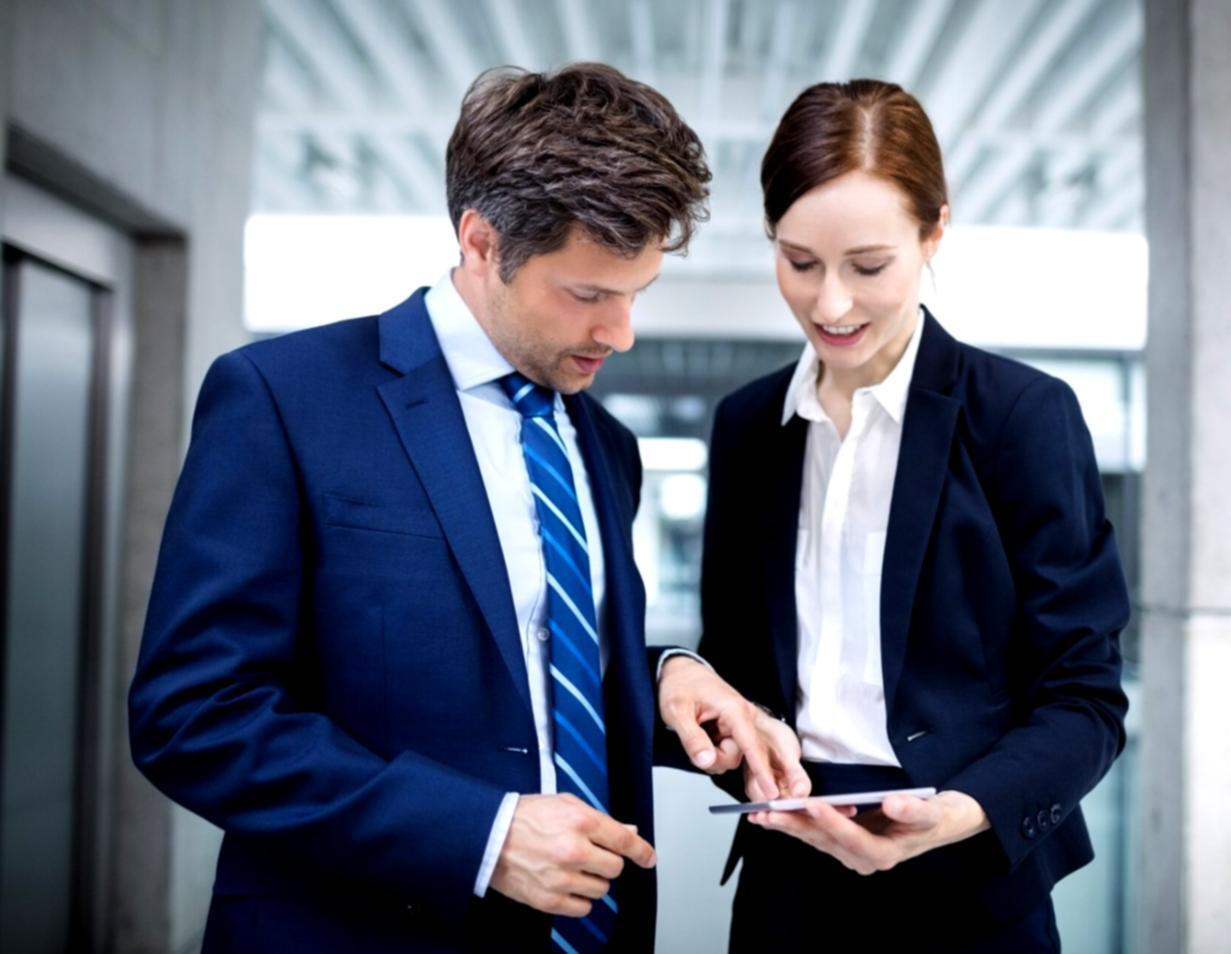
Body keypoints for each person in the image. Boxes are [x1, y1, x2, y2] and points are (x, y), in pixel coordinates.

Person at [129, 63, 801, 954]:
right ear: (482, 242)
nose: (622, 333)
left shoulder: (603, 445)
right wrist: (479, 837)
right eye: (590, 294)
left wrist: (669, 673)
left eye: (637, 294)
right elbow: (195, 714)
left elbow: (531, 652)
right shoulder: (284, 399)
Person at [698, 79, 1131, 952]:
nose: (830, 305)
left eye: (868, 267)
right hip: (788, 885)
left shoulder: (1021, 417)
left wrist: (958, 813)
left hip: (970, 879)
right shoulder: (748, 428)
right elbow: (735, 667)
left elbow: (1084, 698)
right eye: (799, 262)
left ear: (935, 233)